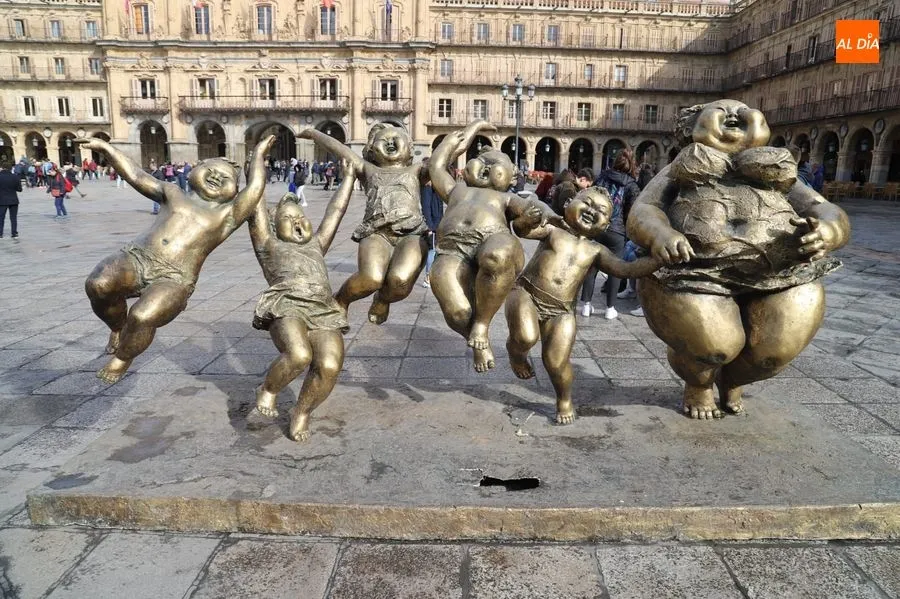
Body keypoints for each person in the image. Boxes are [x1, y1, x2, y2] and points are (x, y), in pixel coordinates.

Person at [627, 100, 850, 420]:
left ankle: (733, 379)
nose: (733, 114)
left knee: (773, 353)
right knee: (711, 346)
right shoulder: (682, 167)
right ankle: (699, 382)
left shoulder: (779, 172)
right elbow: (643, 210)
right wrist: (660, 234)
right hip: (694, 273)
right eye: (720, 110)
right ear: (691, 129)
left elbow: (825, 209)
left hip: (779, 274)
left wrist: (828, 231)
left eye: (744, 110)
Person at [78, 134, 276, 383]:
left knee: (142, 316)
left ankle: (122, 357)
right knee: (99, 284)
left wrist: (258, 155)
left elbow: (256, 188)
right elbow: (136, 175)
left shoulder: (228, 214)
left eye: (227, 178)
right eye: (211, 170)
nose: (217, 177)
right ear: (195, 170)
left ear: (235, 191)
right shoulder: (172, 192)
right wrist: (107, 148)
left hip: (175, 277)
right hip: (137, 257)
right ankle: (117, 327)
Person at [506, 187, 661, 423]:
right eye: (586, 203)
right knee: (525, 337)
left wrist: (657, 260)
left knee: (557, 362)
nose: (591, 211)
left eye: (601, 211)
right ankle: (516, 354)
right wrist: (526, 220)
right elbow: (521, 230)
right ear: (568, 204)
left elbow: (625, 269)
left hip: (562, 311)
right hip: (527, 293)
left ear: (606, 226)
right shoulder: (553, 230)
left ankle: (564, 399)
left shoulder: (597, 250)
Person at [429, 121, 561, 372]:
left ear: (511, 177)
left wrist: (543, 213)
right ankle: (477, 340)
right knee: (456, 312)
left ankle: (482, 324)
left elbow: (535, 208)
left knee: (497, 253)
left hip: (493, 243)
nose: (486, 167)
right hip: (452, 251)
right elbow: (436, 165)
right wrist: (464, 134)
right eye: (481, 162)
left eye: (495, 165)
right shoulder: (455, 190)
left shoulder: (506, 198)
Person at [247, 163, 356, 442]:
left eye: (301, 216)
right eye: (288, 218)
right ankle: (269, 390)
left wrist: (348, 178)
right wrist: (257, 159)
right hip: (287, 305)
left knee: (330, 365)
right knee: (299, 354)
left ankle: (302, 410)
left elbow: (335, 212)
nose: (298, 221)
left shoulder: (317, 244)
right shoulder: (268, 245)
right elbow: (255, 201)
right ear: (273, 226)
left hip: (323, 310)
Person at [299, 124, 429, 326]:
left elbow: (445, 156)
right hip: (376, 233)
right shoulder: (368, 169)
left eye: (397, 137)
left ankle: (383, 299)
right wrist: (313, 133)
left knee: (400, 281)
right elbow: (340, 149)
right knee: (371, 278)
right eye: (383, 139)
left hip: (411, 233)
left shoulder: (418, 169)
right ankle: (340, 300)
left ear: (410, 148)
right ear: (371, 149)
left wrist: (471, 130)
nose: (390, 141)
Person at [580, 150, 641, 319]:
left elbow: (591, 197)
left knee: (591, 265)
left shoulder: (602, 177)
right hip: (616, 231)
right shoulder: (632, 185)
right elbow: (632, 212)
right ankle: (610, 309)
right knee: (614, 269)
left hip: (597, 226)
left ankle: (586, 305)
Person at [419, 158, 443, 288]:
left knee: (435, 250)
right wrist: (429, 226)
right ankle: (427, 277)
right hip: (432, 223)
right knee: (432, 250)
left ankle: (433, 275)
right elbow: (426, 207)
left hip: (437, 222)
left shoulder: (433, 186)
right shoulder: (427, 187)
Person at [0, 161, 22, 239]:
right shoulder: (15, 176)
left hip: (1, 200)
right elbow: (19, 189)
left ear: (2, 167)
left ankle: (0, 233)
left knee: (1, 217)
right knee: (13, 217)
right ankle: (14, 233)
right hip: (13, 200)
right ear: (11, 168)